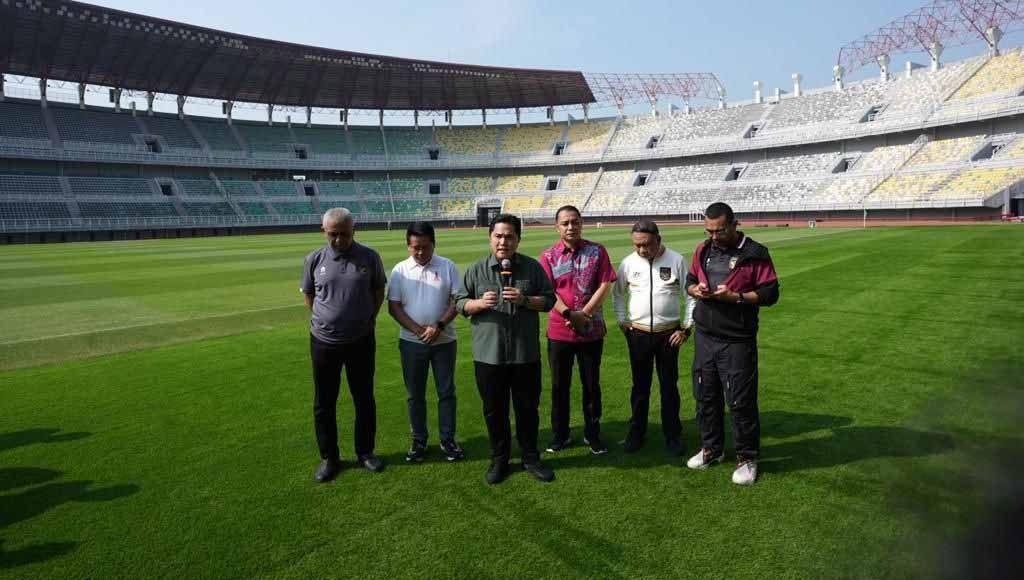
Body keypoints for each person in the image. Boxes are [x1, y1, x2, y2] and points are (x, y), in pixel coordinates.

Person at [455, 213, 557, 485]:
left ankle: (530, 457)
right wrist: (478, 304)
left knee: (527, 409)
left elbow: (548, 301)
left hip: (525, 354)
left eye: (509, 236)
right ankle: (499, 458)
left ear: (518, 239)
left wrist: (525, 299)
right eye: (498, 236)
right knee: (494, 410)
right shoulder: (476, 270)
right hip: (489, 355)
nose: (503, 242)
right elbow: (460, 303)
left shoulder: (533, 268)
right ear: (490, 238)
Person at [684, 202, 780, 485]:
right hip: (705, 335)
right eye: (709, 230)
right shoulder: (703, 249)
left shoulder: (755, 253)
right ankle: (711, 449)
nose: (714, 236)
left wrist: (736, 297)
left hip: (737, 339)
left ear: (735, 224)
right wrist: (696, 290)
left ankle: (747, 458)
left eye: (720, 230)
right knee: (705, 395)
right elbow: (689, 281)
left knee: (740, 401)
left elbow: (770, 293)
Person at [301, 208, 387, 482]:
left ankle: (365, 452)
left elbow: (377, 292)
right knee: (324, 402)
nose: (339, 240)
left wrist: (366, 319)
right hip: (324, 342)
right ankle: (329, 457)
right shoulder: (314, 259)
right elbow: (310, 296)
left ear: (354, 230)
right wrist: (327, 320)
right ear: (324, 231)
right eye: (333, 234)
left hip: (361, 340)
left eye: (344, 234)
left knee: (364, 398)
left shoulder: (370, 257)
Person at [612, 219, 695, 456]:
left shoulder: (677, 260)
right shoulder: (628, 263)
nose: (641, 250)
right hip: (637, 334)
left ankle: (673, 434)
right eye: (637, 245)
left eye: (646, 244)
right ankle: (637, 432)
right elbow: (617, 294)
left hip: (669, 334)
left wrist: (687, 328)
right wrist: (621, 320)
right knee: (640, 387)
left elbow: (690, 296)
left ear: (658, 240)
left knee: (669, 387)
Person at [538, 205, 617, 455]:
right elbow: (548, 291)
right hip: (559, 332)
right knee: (560, 386)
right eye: (565, 223)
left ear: (581, 223)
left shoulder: (597, 251)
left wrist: (586, 314)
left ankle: (592, 434)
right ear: (557, 226)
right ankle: (560, 435)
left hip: (591, 331)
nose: (571, 227)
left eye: (575, 221)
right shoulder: (548, 256)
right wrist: (569, 314)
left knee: (591, 385)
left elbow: (606, 283)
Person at [387, 221, 465, 463]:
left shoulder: (447, 266)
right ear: (408, 246)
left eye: (425, 247)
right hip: (411, 342)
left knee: (446, 392)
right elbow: (394, 307)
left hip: (444, 341)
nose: (420, 252)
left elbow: (457, 300)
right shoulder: (400, 270)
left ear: (434, 244)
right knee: (415, 395)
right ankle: (419, 440)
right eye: (415, 247)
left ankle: (448, 439)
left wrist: (438, 326)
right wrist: (419, 330)